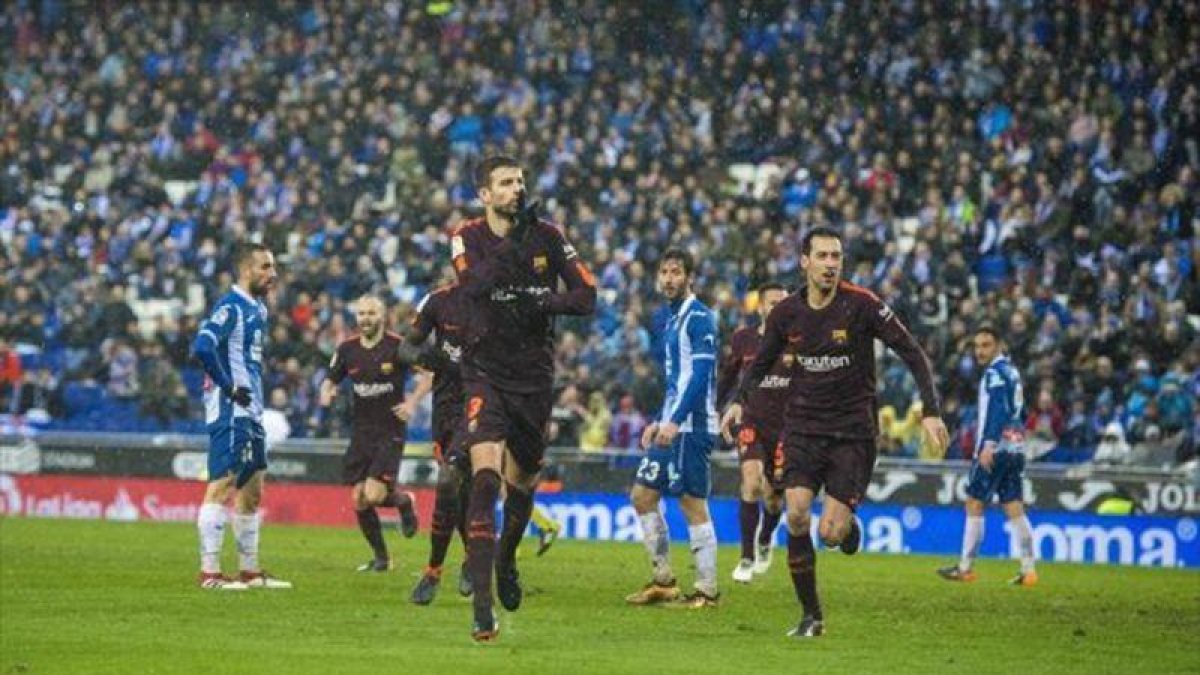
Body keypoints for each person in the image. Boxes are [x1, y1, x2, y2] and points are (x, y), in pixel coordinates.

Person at [721, 226, 949, 638]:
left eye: (836, 257)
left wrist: (931, 411)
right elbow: (761, 361)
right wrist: (738, 400)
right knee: (794, 513)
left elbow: (911, 351)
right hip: (804, 428)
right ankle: (812, 616)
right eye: (822, 256)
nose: (830, 264)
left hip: (852, 433)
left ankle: (847, 526)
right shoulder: (786, 313)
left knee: (830, 533)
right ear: (804, 261)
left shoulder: (862, 305)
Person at [449, 155, 596, 642]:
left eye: (520, 181)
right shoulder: (466, 236)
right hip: (483, 372)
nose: (517, 189)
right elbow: (472, 289)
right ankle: (482, 610)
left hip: (533, 378)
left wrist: (542, 301)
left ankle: (506, 558)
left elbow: (587, 296)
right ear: (484, 195)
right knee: (485, 476)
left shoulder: (549, 236)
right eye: (506, 183)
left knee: (523, 483)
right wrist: (512, 243)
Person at [190, 241, 291, 590]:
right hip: (231, 409)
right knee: (221, 485)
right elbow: (202, 346)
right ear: (247, 269)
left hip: (252, 409)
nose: (272, 273)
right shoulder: (230, 307)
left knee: (252, 489)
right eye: (265, 266)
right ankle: (211, 574)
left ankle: (249, 571)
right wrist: (228, 387)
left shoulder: (258, 309)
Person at [625, 248, 721, 609]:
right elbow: (675, 383)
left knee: (691, 503)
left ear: (690, 277)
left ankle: (707, 591)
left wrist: (676, 420)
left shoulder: (699, 318)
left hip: (692, 427)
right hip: (672, 424)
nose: (668, 278)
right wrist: (659, 421)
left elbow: (699, 377)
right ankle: (663, 582)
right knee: (643, 496)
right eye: (663, 272)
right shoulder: (671, 319)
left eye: (676, 272)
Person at [318, 295, 419, 573]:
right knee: (358, 499)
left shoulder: (398, 346)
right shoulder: (348, 349)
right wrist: (327, 391)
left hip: (390, 430)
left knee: (374, 496)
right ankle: (382, 559)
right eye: (361, 313)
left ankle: (405, 501)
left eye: (371, 314)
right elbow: (330, 378)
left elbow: (431, 373)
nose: (365, 319)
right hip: (361, 431)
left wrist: (411, 402)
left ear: (382, 316)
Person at [937, 326, 1038, 586]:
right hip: (1015, 446)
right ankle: (1029, 570)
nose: (980, 351)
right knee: (1014, 505)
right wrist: (1017, 434)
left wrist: (990, 444)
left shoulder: (994, 374)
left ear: (999, 345)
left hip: (997, 447)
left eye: (986, 345)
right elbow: (1022, 411)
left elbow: (998, 410)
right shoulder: (1012, 372)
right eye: (977, 345)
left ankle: (965, 567)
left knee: (974, 502)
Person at [404, 282, 474, 604]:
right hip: (444, 412)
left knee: (449, 481)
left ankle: (434, 570)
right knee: (459, 490)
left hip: (480, 406)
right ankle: (472, 555)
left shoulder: (499, 301)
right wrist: (430, 360)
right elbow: (405, 348)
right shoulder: (437, 301)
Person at [717, 282, 790, 584]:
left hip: (788, 429)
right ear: (760, 307)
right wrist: (719, 407)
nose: (778, 309)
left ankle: (765, 538)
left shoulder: (801, 341)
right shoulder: (743, 339)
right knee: (750, 482)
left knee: (774, 499)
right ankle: (746, 557)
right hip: (752, 422)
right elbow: (729, 376)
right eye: (772, 303)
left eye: (783, 304)